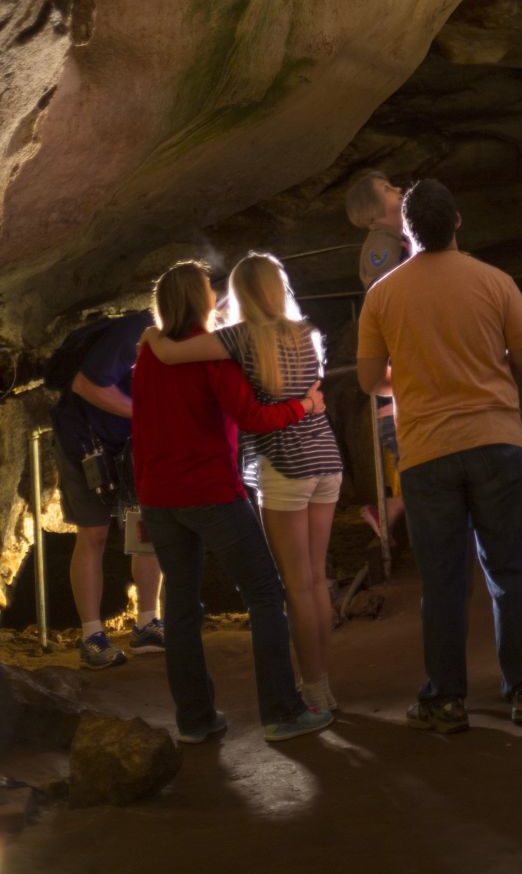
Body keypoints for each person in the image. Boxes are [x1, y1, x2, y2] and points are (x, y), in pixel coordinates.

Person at [356, 177, 522, 734]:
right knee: (510, 570)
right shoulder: (495, 282)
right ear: (459, 222)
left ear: (406, 231)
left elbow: (373, 380)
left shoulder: (383, 295)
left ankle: (446, 698)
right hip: (495, 439)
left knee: (443, 581)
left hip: (425, 450)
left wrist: (420, 374)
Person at [133, 259, 332, 744]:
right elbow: (250, 415)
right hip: (212, 491)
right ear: (201, 301)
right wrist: (303, 406)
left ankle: (195, 719)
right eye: (208, 289)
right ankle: (282, 710)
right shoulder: (215, 356)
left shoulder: (149, 357)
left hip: (160, 497)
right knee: (265, 593)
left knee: (179, 604)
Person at [50, 309, 164, 668]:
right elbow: (86, 383)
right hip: (86, 443)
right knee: (93, 533)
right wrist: (143, 413)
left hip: (128, 444)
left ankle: (147, 623)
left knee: (144, 528)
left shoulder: (174, 338)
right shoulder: (138, 328)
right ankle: (92, 636)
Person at [345, 168, 407, 543]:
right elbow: (385, 297)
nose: (398, 188)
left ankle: (396, 508)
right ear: (373, 212)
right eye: (388, 188)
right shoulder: (381, 248)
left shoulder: (396, 240)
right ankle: (391, 509)